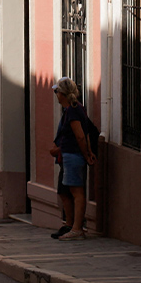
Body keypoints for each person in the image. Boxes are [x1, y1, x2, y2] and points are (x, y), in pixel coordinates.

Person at [48, 77, 96, 240]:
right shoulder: (75, 109)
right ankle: (72, 226)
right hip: (69, 155)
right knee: (68, 190)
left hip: (73, 156)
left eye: (56, 91)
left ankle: (77, 229)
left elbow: (81, 136)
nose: (56, 95)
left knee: (77, 192)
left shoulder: (74, 110)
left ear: (62, 93)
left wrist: (85, 154)